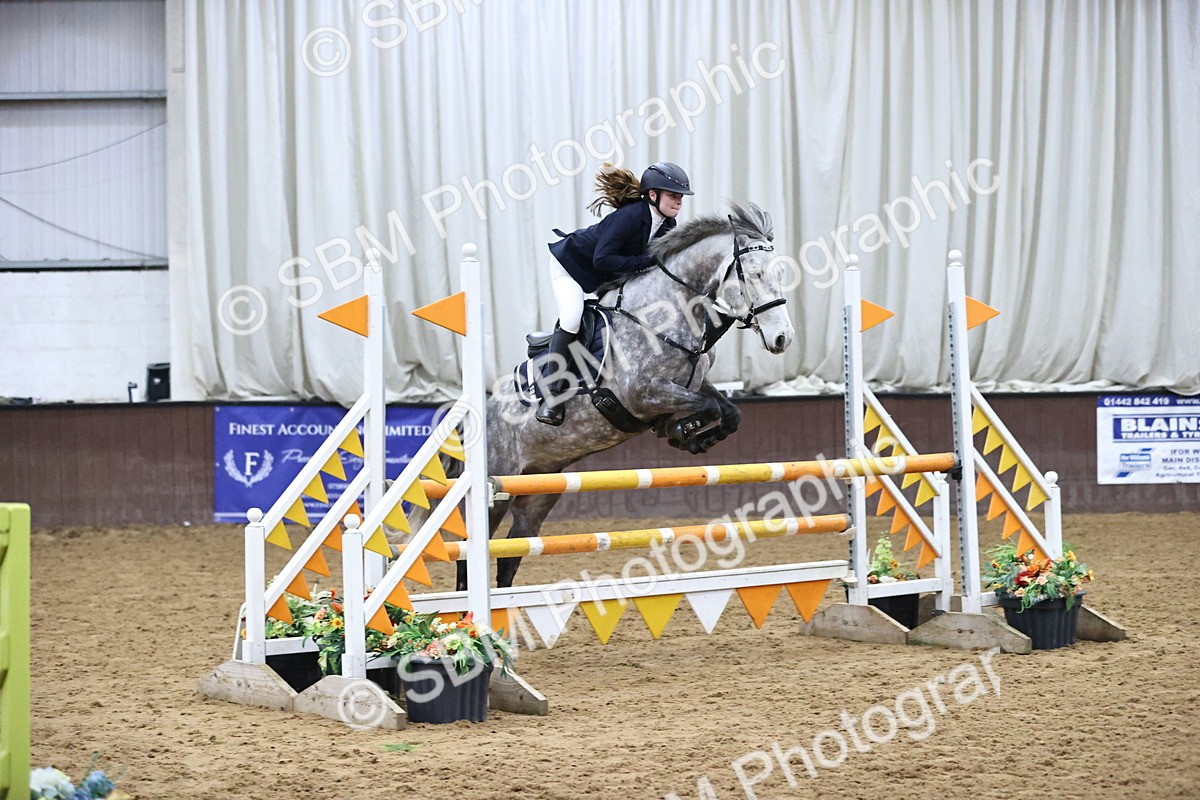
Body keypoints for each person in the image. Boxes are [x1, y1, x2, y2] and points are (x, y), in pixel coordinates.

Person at [537, 161, 694, 425]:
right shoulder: (630, 216)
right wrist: (644, 264)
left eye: (680, 197)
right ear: (653, 195)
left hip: (605, 274)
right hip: (572, 266)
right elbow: (603, 259)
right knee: (572, 318)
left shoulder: (668, 225)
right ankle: (550, 396)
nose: (679, 201)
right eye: (673, 195)